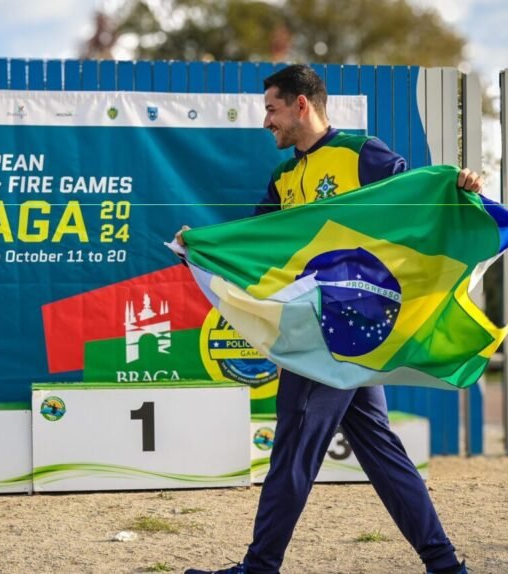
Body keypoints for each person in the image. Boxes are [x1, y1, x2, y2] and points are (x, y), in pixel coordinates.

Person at [178, 64, 482, 574]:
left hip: (344, 330)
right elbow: (255, 249)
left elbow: (416, 199)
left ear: (302, 104)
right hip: (326, 329)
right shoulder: (282, 178)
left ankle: (259, 567)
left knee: (293, 445)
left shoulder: (361, 153)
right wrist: (201, 250)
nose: (265, 121)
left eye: (271, 108)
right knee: (380, 450)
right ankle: (444, 564)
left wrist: (459, 187)